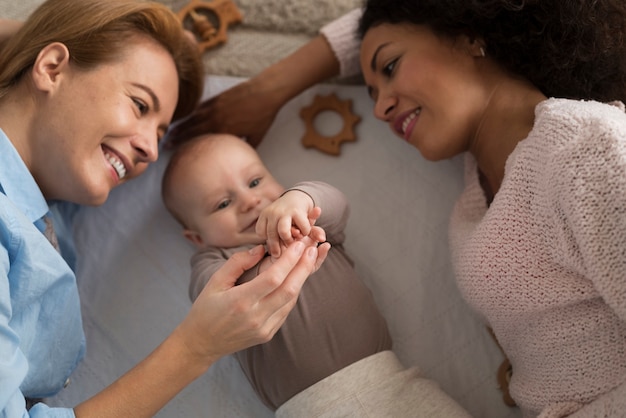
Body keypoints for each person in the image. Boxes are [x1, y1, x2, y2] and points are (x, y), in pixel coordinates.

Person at [169, 0, 626, 416]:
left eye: (389, 67)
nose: (381, 109)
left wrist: (269, 87)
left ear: (469, 34)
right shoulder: (476, 192)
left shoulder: (586, 149)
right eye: (370, 91)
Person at [0, 0, 328, 417]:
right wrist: (196, 347)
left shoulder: (50, 200)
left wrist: (37, 42)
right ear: (51, 68)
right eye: (140, 105)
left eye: (159, 131)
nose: (151, 150)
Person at [161, 133, 475, 417]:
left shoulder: (307, 224)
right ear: (197, 238)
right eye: (223, 203)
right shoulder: (214, 261)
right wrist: (263, 272)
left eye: (255, 182)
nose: (249, 201)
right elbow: (211, 300)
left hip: (394, 384)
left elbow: (335, 202)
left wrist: (302, 199)